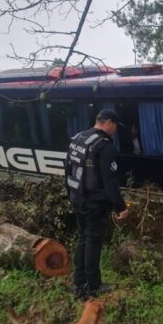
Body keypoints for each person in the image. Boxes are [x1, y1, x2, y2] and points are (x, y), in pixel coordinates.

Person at [65, 109, 129, 299]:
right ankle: (93, 286)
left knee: (83, 239)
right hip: (95, 202)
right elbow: (110, 181)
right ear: (108, 122)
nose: (116, 130)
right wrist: (121, 207)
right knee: (93, 242)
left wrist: (70, 195)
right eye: (116, 125)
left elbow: (67, 169)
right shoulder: (104, 145)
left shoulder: (78, 138)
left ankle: (78, 283)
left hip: (77, 197)